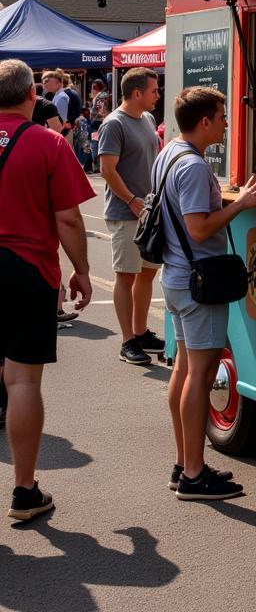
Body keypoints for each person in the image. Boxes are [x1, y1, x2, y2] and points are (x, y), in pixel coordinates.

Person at [155, 86, 256, 500]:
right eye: (222, 117)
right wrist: (243, 203)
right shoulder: (195, 167)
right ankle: (194, 475)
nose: (226, 123)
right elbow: (199, 227)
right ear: (204, 122)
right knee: (199, 374)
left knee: (184, 369)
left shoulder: (170, 153)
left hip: (176, 276)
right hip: (197, 279)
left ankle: (184, 463)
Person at [0, 58, 94, 523]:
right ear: (32, 96)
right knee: (21, 380)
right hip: (26, 268)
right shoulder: (47, 143)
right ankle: (23, 490)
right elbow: (69, 218)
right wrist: (81, 270)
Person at [98, 67, 164, 367]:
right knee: (125, 276)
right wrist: (132, 200)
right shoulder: (114, 123)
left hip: (149, 211)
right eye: (154, 90)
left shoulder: (148, 119)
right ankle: (127, 341)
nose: (157, 95)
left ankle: (140, 332)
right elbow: (107, 170)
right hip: (126, 212)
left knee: (147, 273)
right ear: (136, 93)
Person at [40, 70, 70, 136]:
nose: (45, 85)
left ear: (57, 83)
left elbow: (62, 120)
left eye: (47, 82)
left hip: (60, 133)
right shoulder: (57, 95)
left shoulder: (61, 96)